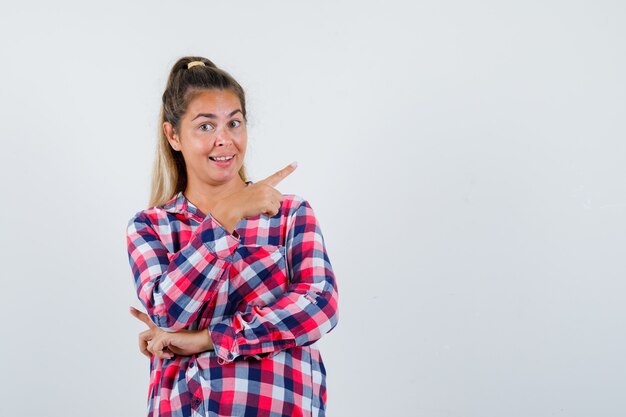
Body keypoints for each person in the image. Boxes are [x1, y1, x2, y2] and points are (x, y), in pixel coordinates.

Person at [125, 56, 339, 417]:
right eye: (205, 127)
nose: (224, 140)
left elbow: (320, 307)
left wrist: (206, 339)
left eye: (234, 123)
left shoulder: (289, 214)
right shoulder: (150, 227)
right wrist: (226, 216)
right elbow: (167, 314)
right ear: (173, 135)